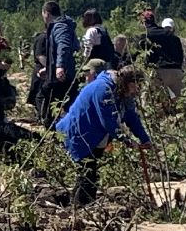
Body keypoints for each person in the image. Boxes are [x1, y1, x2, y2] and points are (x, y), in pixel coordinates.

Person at [56, 65, 151, 205]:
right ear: (129, 83)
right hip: (79, 133)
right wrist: (127, 141)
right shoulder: (103, 90)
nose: (137, 89)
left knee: (90, 174)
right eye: (137, 85)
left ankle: (82, 206)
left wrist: (145, 139)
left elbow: (131, 117)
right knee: (87, 174)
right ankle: (80, 210)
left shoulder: (123, 93)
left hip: (94, 136)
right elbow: (108, 121)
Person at [29, 1, 77, 127]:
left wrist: (59, 66)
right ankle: (58, 127)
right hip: (62, 74)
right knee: (64, 103)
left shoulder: (59, 27)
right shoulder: (62, 26)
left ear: (46, 13)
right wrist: (49, 68)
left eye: (42, 14)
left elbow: (63, 46)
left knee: (43, 97)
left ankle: (52, 130)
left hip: (61, 76)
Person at [140, 13, 186, 105]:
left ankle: (146, 117)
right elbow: (181, 56)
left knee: (147, 97)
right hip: (177, 71)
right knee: (184, 100)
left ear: (143, 22)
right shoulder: (175, 38)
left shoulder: (146, 35)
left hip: (159, 71)